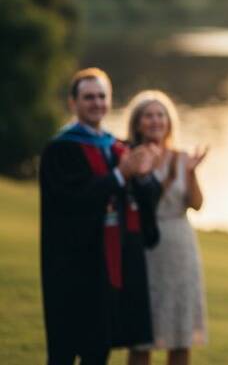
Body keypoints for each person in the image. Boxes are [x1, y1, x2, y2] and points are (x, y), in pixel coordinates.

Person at [39, 68, 162, 365]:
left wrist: (144, 177)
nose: (96, 103)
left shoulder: (115, 146)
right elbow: (72, 200)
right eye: (88, 97)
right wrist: (121, 174)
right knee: (65, 349)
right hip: (71, 264)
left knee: (98, 350)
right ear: (73, 103)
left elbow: (147, 199)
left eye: (102, 96)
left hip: (109, 265)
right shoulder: (61, 149)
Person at [125, 91, 209, 365]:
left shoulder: (182, 158)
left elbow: (196, 204)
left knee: (180, 335)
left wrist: (192, 173)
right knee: (141, 337)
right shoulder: (129, 157)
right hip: (144, 246)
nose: (155, 121)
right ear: (138, 123)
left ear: (169, 122)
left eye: (160, 115)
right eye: (148, 115)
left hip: (180, 247)